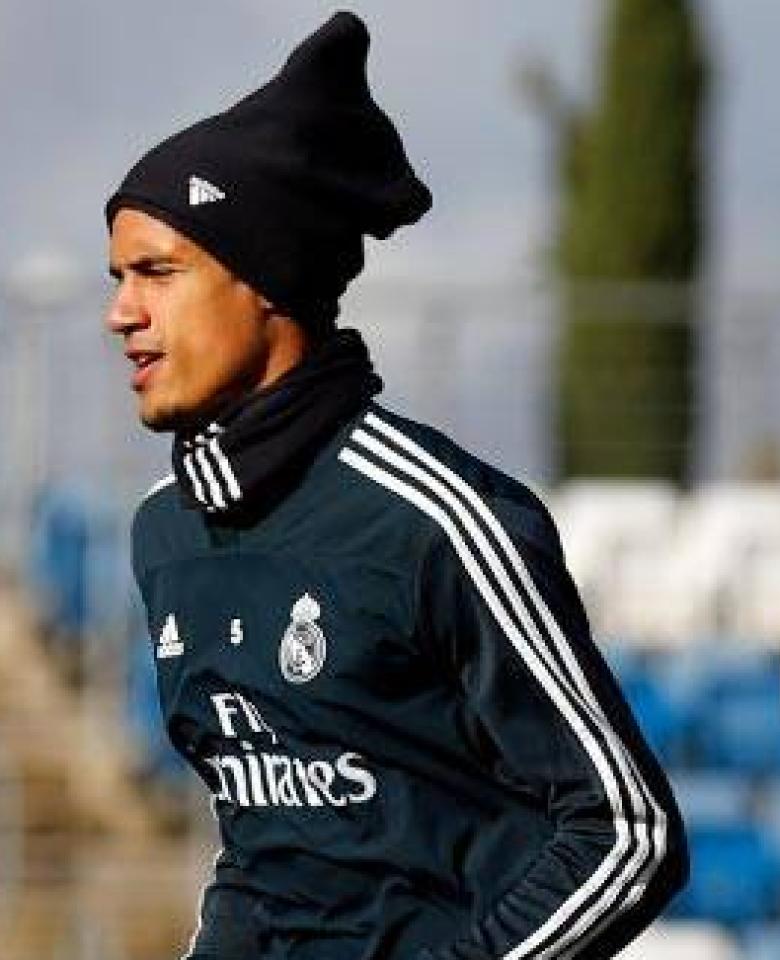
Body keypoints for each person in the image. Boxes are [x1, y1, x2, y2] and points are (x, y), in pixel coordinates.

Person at [105, 13, 685, 958]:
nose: (120, 311)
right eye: (118, 277)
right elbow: (267, 861)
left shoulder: (437, 518)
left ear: (267, 281)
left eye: (158, 273)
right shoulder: (162, 536)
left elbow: (627, 834)